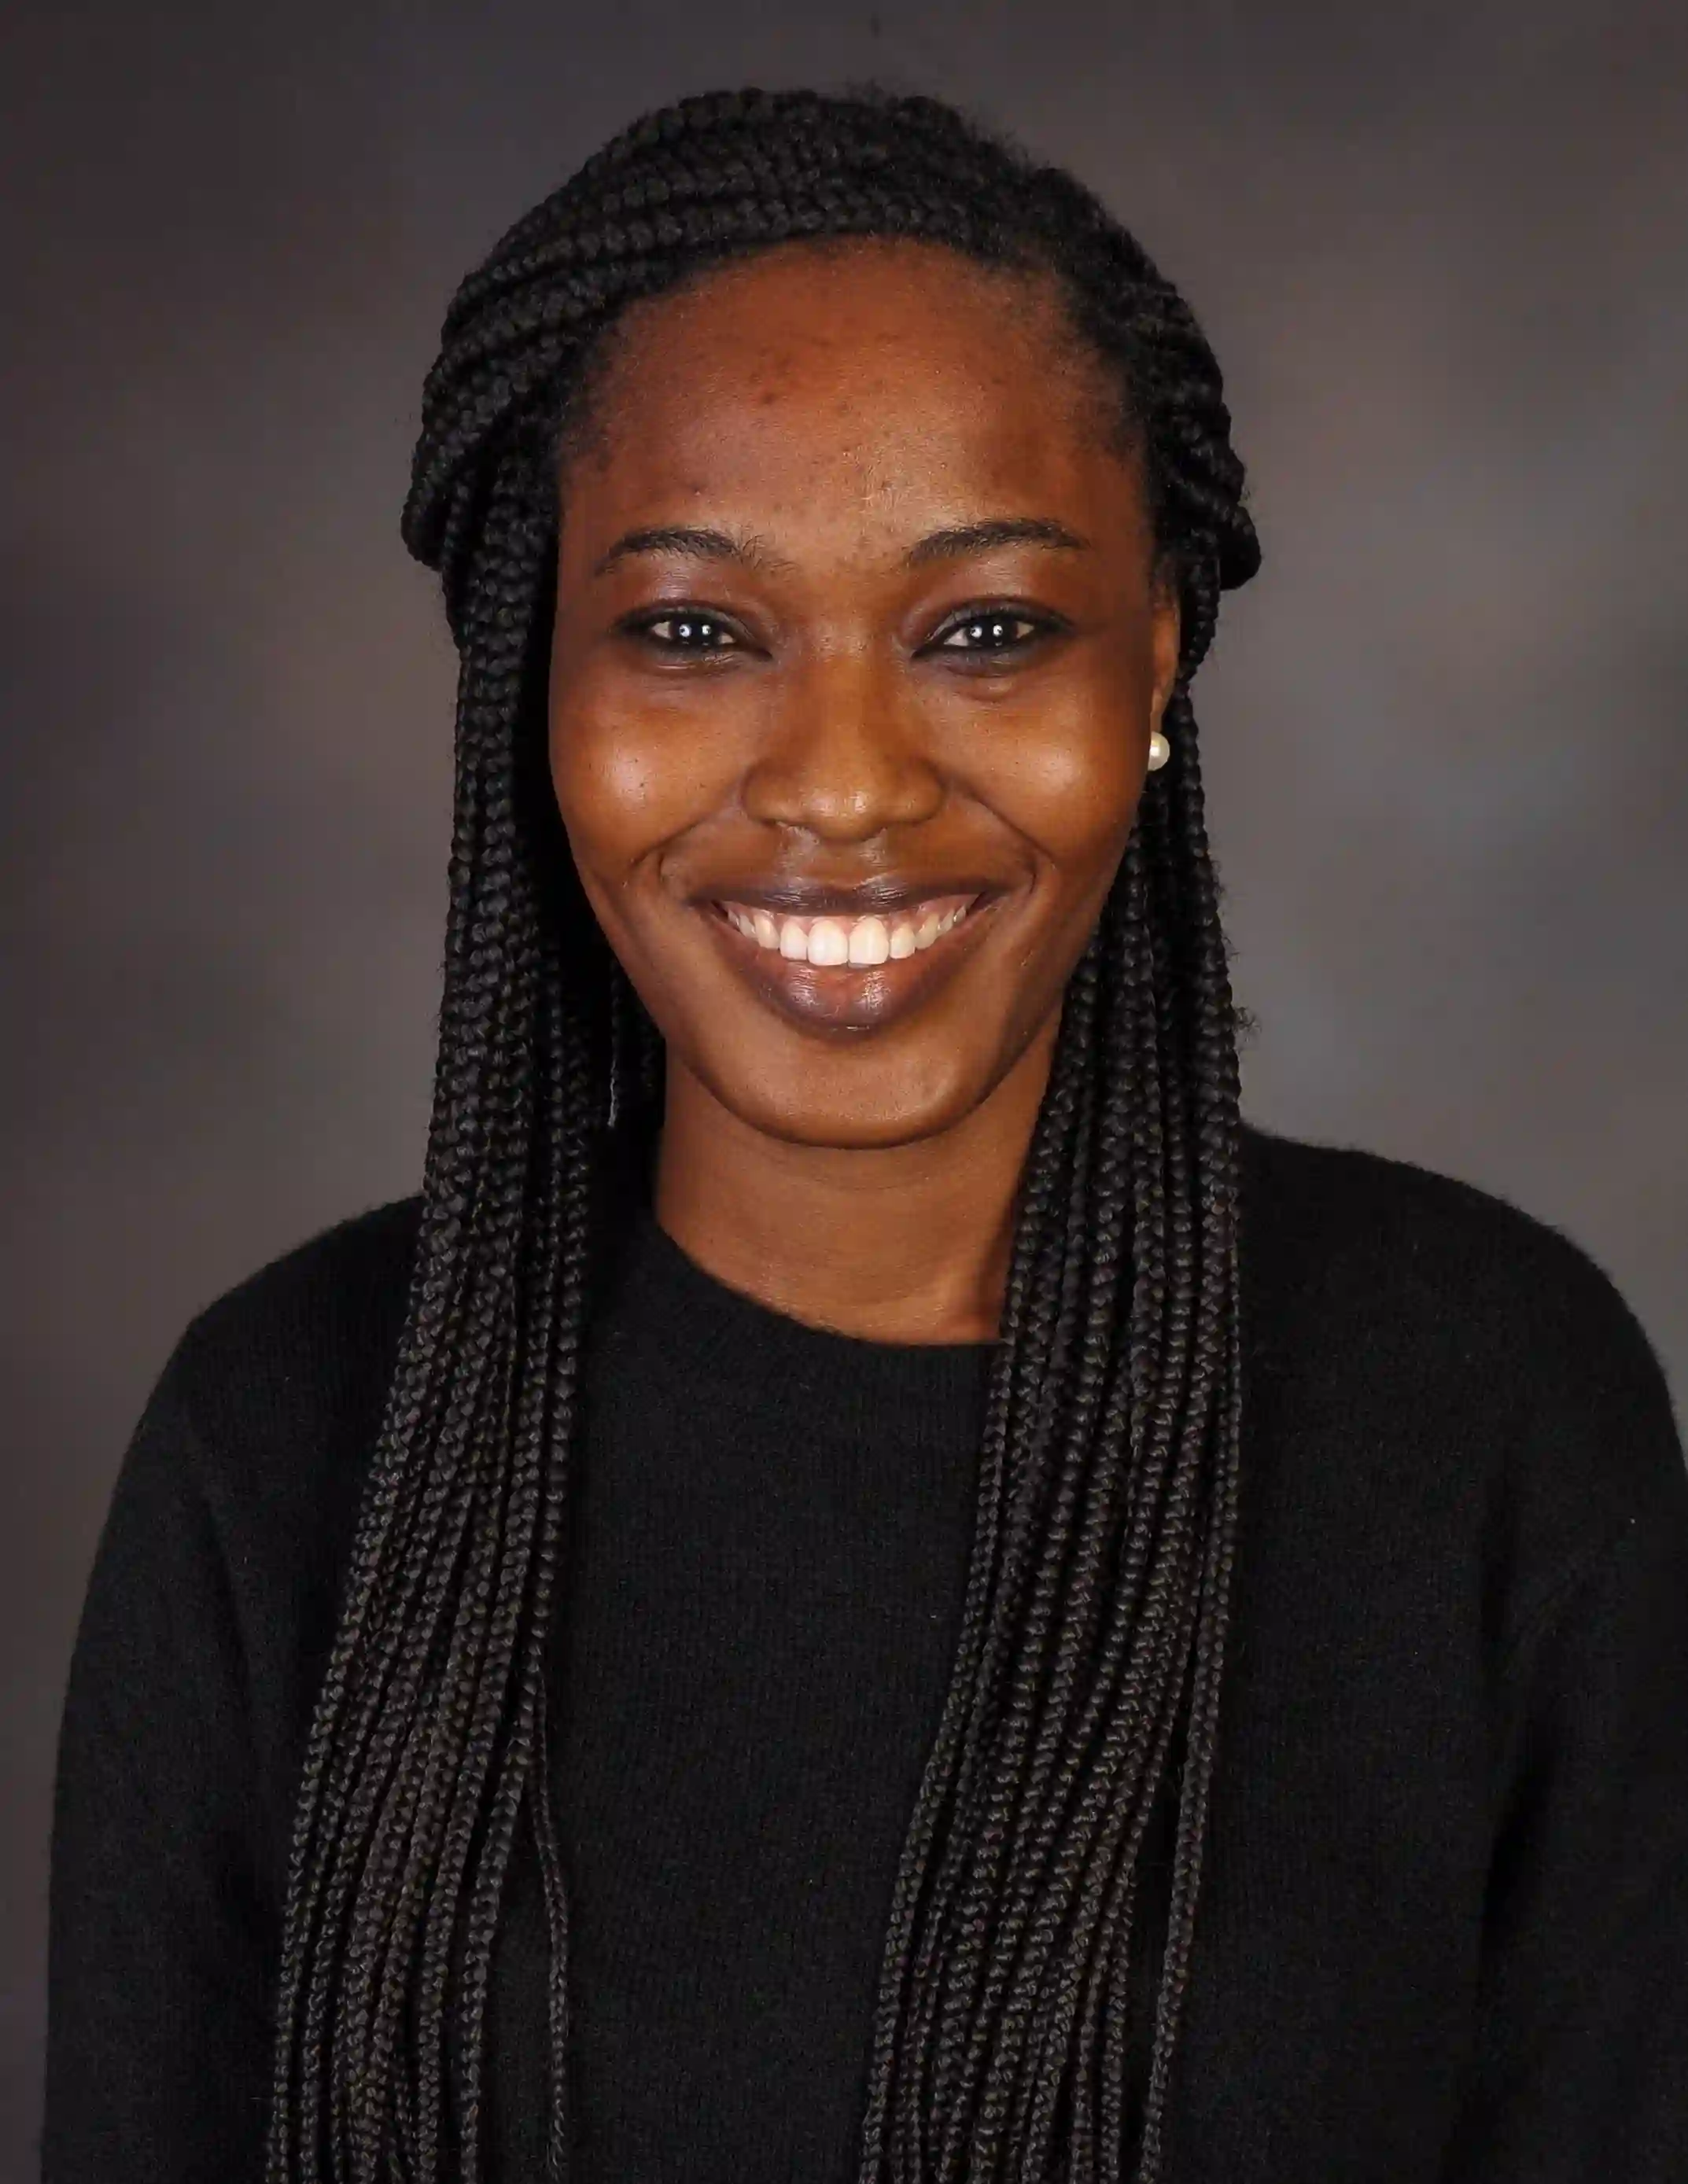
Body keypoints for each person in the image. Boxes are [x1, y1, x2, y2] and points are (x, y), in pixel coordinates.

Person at [42, 83, 1688, 2184]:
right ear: (540, 686)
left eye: (986, 630)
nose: (842, 784)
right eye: (692, 631)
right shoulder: (287, 1439)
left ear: (1156, 659)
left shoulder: (1486, 1408)